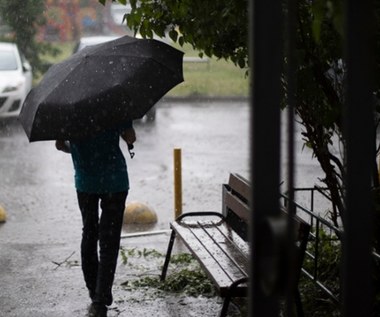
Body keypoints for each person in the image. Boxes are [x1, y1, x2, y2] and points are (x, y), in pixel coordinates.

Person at [55, 121, 136, 317]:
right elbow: (130, 137)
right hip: (115, 181)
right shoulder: (114, 102)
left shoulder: (68, 109)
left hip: (86, 182)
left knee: (89, 232)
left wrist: (74, 147)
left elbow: (59, 145)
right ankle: (101, 297)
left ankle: (95, 292)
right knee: (109, 240)